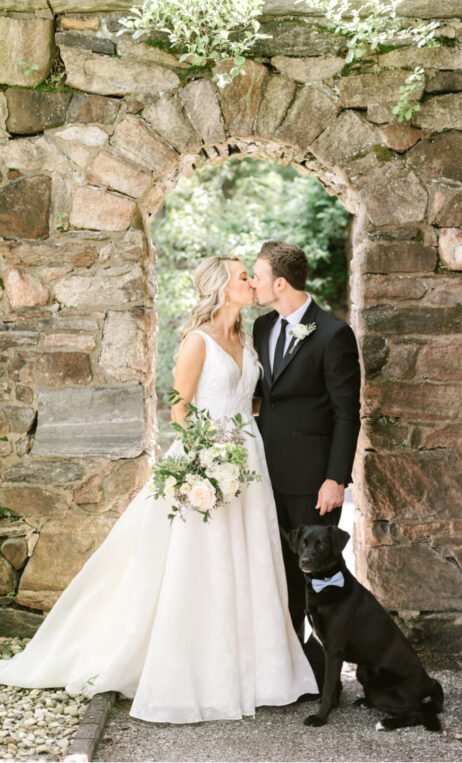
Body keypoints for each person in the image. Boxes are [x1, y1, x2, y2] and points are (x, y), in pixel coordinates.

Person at [0, 257, 316, 723]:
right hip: (205, 458)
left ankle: (257, 671)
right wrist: (202, 462)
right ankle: (194, 669)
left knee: (248, 558)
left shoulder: (249, 338)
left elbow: (250, 401)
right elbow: (178, 407)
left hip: (247, 459)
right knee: (199, 564)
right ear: (222, 288)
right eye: (243, 276)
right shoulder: (197, 340)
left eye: (252, 275)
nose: (252, 282)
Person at [249, 241, 361, 689]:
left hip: (313, 478)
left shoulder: (334, 334)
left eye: (257, 276)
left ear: (280, 282)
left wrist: (336, 478)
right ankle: (284, 669)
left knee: (315, 575)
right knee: (273, 571)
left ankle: (322, 671)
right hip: (261, 472)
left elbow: (346, 412)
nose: (253, 284)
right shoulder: (261, 328)